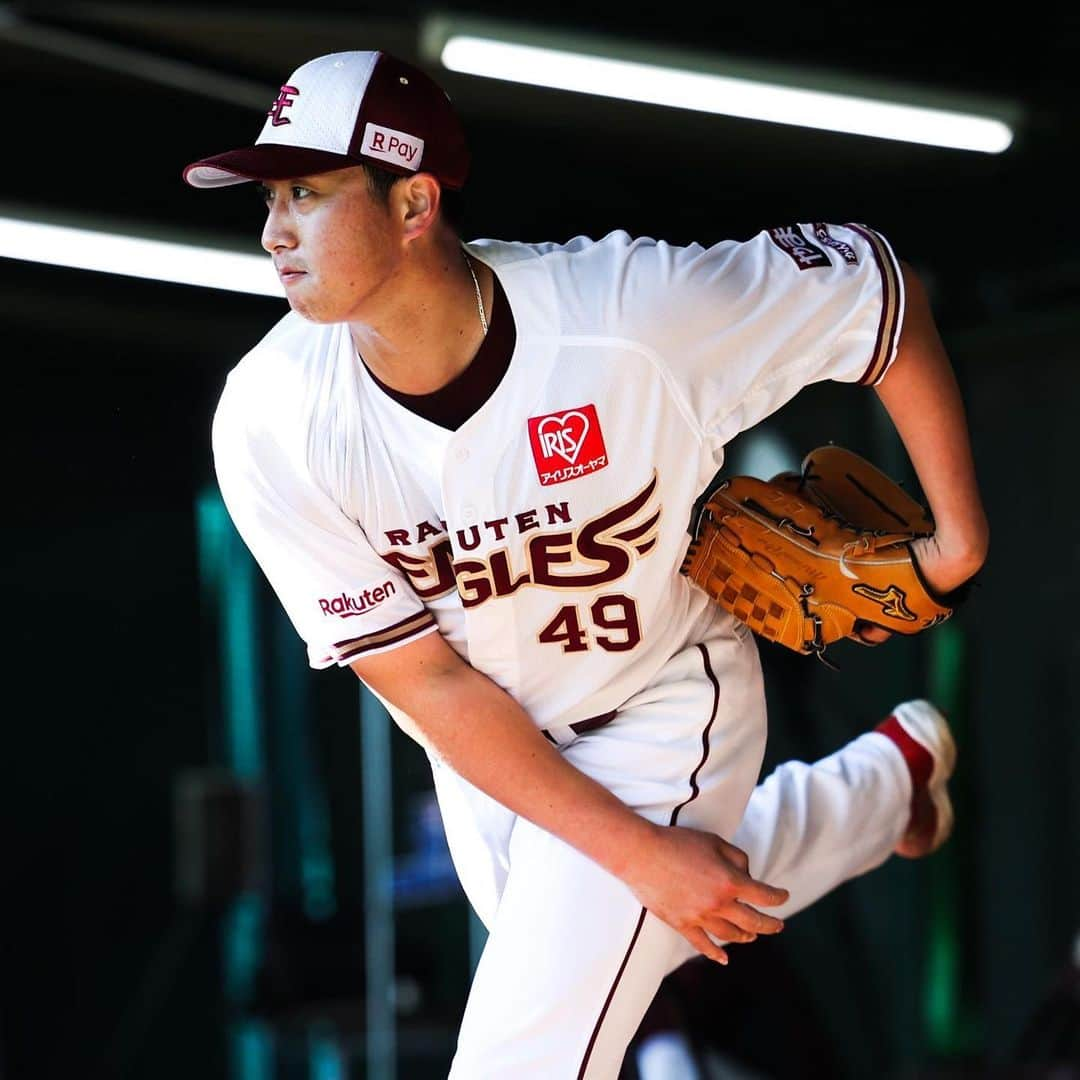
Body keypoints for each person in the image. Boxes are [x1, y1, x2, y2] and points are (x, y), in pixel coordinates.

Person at [184, 50, 989, 1078]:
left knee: (523, 1058)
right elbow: (426, 680)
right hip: (490, 761)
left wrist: (958, 542)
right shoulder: (271, 419)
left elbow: (881, 291)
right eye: (267, 198)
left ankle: (847, 798)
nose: (273, 230)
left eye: (306, 191)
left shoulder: (626, 313)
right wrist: (643, 858)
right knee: (657, 915)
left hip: (657, 700)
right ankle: (886, 786)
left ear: (414, 200)